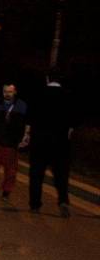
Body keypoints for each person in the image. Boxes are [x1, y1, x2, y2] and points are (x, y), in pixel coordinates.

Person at [26, 70, 75, 217]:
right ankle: (63, 201)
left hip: (39, 140)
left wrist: (27, 135)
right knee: (61, 174)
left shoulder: (38, 94)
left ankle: (35, 204)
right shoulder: (69, 96)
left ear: (47, 79)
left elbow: (30, 118)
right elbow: (73, 122)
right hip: (60, 142)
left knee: (36, 173)